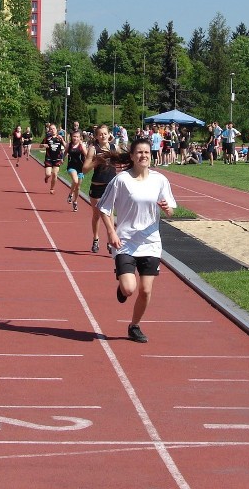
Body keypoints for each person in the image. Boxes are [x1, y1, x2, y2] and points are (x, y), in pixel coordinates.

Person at [97, 137, 177, 344]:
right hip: (125, 241)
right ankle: (122, 286)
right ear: (132, 156)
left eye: (147, 152)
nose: (143, 156)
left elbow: (171, 209)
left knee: (146, 289)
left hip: (150, 242)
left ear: (152, 155)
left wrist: (168, 210)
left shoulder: (160, 180)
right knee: (130, 289)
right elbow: (104, 209)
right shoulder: (122, 180)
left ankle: (134, 326)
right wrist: (111, 232)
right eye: (139, 152)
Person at [83, 124, 118, 253]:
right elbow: (85, 169)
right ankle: (96, 238)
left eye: (105, 133)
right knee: (97, 215)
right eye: (100, 134)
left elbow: (121, 162)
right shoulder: (94, 149)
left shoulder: (114, 148)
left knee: (110, 214)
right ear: (97, 136)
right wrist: (96, 161)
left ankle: (110, 240)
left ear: (109, 134)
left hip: (111, 187)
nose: (103, 136)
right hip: (97, 187)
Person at [40, 124, 66, 194]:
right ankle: (46, 178)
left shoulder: (60, 137)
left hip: (57, 159)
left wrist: (63, 140)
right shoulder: (47, 138)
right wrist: (43, 145)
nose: (52, 130)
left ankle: (52, 188)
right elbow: (40, 145)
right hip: (49, 158)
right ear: (49, 130)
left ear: (56, 129)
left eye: (54, 129)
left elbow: (66, 146)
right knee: (48, 174)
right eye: (51, 129)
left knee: (55, 174)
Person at [65, 130, 87, 211]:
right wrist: (62, 159)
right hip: (71, 166)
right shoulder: (69, 145)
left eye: (77, 137)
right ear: (71, 137)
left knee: (78, 187)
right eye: (74, 136)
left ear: (80, 137)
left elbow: (87, 155)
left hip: (80, 168)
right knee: (75, 180)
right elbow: (65, 152)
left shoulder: (82, 146)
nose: (75, 138)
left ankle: (75, 201)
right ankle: (70, 194)